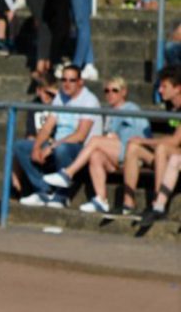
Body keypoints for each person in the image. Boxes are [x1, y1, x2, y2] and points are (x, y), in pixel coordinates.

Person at [42, 76, 151, 213]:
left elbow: (141, 135)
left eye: (114, 90)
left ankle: (68, 173)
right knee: (95, 155)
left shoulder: (131, 108)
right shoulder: (110, 113)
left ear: (123, 92)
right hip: (117, 155)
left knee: (95, 141)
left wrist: (118, 137)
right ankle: (101, 199)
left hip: (132, 153)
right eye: (107, 90)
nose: (110, 93)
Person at [16, 63, 101, 207]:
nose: (67, 84)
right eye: (64, 80)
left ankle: (62, 195)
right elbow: (47, 126)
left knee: (62, 149)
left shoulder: (89, 100)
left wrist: (52, 146)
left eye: (72, 80)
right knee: (20, 146)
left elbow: (80, 136)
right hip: (58, 144)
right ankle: (45, 190)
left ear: (80, 82)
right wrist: (37, 147)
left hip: (81, 149)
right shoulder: (60, 97)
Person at [121, 66, 181, 218]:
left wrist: (145, 140)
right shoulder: (171, 107)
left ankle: (157, 203)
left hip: (175, 157)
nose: (160, 90)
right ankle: (128, 203)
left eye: (164, 86)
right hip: (167, 157)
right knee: (133, 146)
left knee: (161, 147)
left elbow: (174, 141)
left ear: (177, 88)